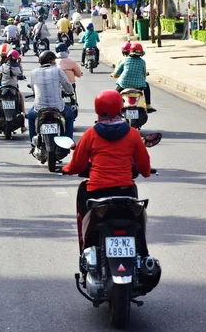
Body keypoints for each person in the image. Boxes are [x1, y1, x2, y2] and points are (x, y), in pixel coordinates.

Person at [61, 89, 152, 254]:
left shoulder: (90, 134)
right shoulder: (132, 134)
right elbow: (143, 164)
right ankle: (141, 254)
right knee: (137, 223)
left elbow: (77, 165)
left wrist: (67, 169)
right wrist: (146, 172)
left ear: (97, 108)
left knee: (88, 223)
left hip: (96, 193)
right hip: (126, 191)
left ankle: (87, 253)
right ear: (120, 107)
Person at [27, 51, 75, 143]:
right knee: (69, 115)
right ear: (50, 61)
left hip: (39, 108)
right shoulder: (57, 70)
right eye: (54, 60)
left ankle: (33, 143)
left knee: (30, 116)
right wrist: (70, 92)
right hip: (57, 108)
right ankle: (69, 141)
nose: (55, 62)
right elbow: (67, 86)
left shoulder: (33, 72)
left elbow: (34, 89)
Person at [0, 50, 27, 133]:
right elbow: (21, 74)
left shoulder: (3, 66)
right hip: (14, 89)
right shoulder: (17, 67)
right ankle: (23, 122)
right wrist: (19, 64)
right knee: (21, 97)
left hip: (3, 88)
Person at [112, 43, 155, 113]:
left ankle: (113, 108)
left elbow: (117, 73)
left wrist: (113, 74)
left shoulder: (125, 60)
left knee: (115, 95)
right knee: (146, 86)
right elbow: (144, 74)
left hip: (124, 84)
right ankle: (148, 105)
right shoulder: (142, 62)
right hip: (139, 86)